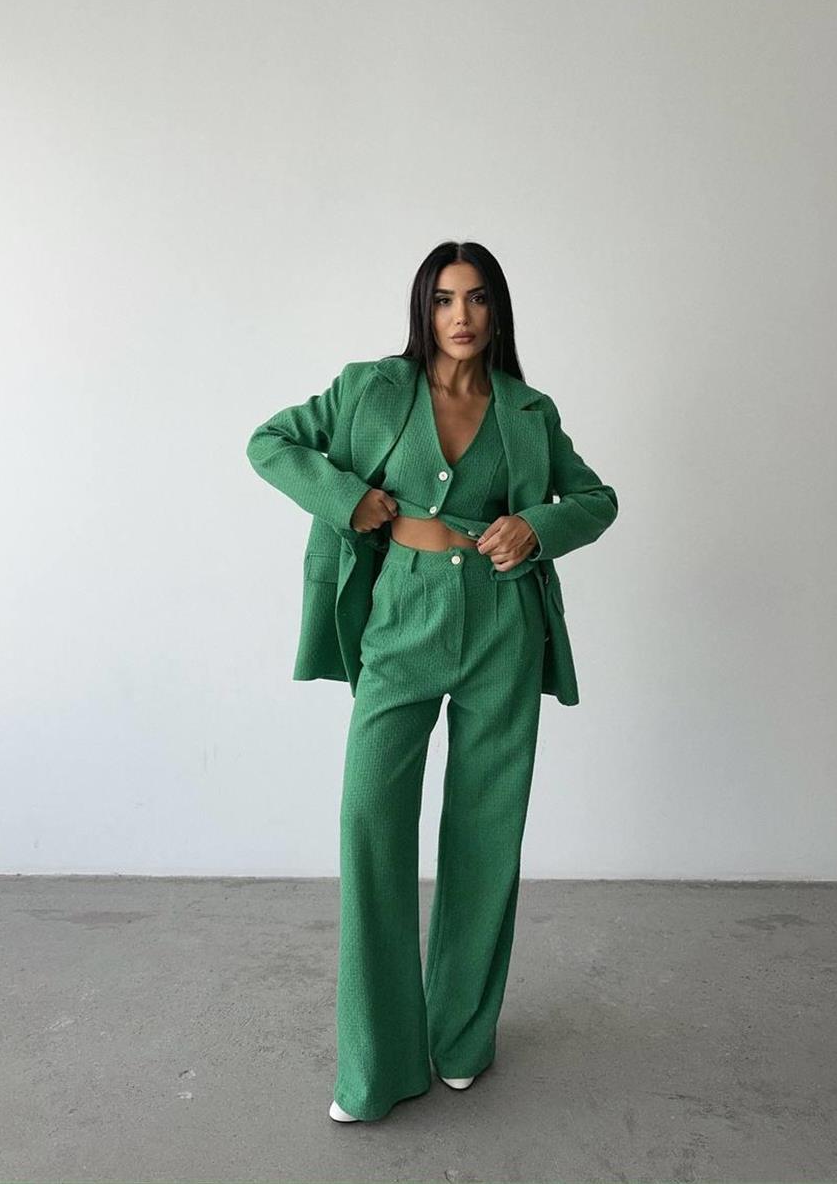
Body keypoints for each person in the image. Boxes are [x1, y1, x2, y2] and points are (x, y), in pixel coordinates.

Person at [246, 239, 618, 1123]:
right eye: (446, 298)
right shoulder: (372, 388)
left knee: (487, 829)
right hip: (402, 618)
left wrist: (536, 525)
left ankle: (460, 1039)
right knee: (370, 820)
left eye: (478, 298)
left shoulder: (528, 410)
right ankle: (375, 1064)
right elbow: (269, 442)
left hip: (502, 622)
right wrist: (346, 497)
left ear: (497, 311)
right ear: (424, 307)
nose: (462, 315)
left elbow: (596, 498)